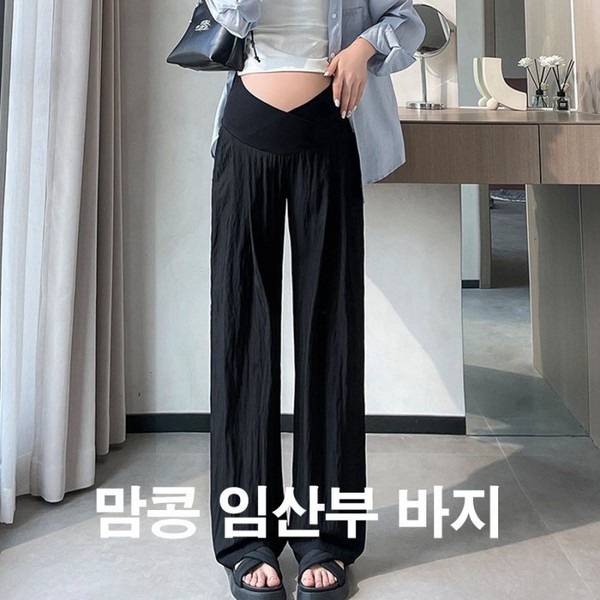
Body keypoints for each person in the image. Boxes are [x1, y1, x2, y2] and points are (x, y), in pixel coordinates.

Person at [205, 1, 425, 599]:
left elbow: (411, 19)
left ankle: (326, 537)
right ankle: (246, 539)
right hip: (246, 133)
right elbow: (227, 14)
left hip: (329, 134)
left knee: (332, 336)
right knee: (241, 337)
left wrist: (364, 47)